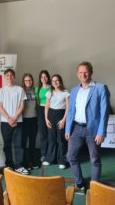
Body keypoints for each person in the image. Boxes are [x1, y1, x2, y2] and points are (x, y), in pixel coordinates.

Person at [66, 61, 110, 194]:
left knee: (95, 160)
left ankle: (95, 188)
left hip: (93, 130)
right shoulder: (74, 90)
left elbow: (104, 112)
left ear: (91, 72)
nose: (83, 75)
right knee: (71, 156)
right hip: (76, 128)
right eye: (80, 72)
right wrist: (68, 129)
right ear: (77, 74)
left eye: (85, 72)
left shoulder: (101, 88)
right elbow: (71, 112)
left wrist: (101, 132)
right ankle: (79, 183)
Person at [0, 68, 28, 175]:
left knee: (19, 145)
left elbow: (22, 106)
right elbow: (0, 106)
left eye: (11, 75)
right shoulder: (1, 91)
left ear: (14, 77)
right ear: (5, 78)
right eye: (7, 76)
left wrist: (14, 118)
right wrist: (9, 119)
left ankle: (19, 166)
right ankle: (9, 165)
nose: (9, 77)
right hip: (5, 122)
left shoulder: (20, 90)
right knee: (7, 145)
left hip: (18, 121)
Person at [43, 74, 69, 169]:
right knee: (51, 138)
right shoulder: (50, 92)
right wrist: (46, 119)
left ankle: (63, 160)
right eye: (53, 81)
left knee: (61, 139)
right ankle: (50, 158)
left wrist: (63, 120)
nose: (55, 82)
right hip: (51, 116)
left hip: (61, 116)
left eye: (57, 80)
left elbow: (68, 108)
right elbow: (46, 106)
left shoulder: (65, 92)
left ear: (60, 81)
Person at [21, 73, 39, 170]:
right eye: (26, 80)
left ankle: (31, 161)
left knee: (32, 141)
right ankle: (24, 162)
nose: (28, 82)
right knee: (23, 142)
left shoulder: (35, 90)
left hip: (34, 119)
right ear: (23, 82)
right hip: (24, 120)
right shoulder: (21, 91)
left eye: (30, 80)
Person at [35, 70, 51, 162]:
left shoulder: (52, 88)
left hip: (51, 110)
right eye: (42, 77)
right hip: (40, 111)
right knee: (43, 133)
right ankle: (43, 154)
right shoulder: (37, 89)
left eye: (45, 76)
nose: (43, 78)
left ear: (48, 77)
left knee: (51, 132)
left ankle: (51, 153)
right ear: (40, 79)